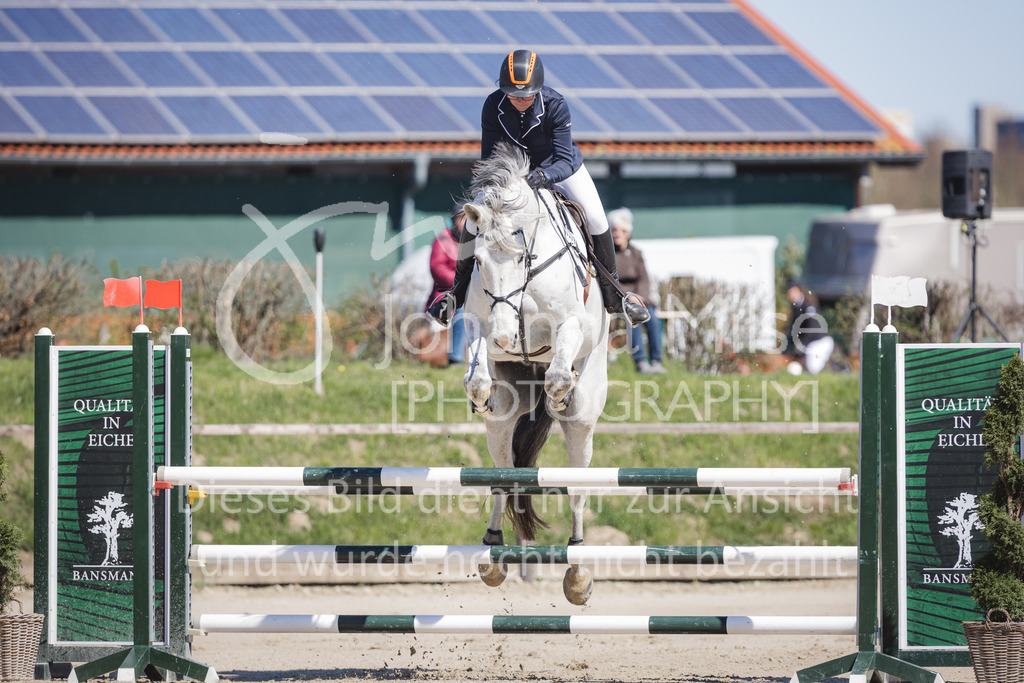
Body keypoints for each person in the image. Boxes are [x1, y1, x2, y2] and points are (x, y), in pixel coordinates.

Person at [426, 49, 649, 330]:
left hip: (558, 169)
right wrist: (503, 185)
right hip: (512, 176)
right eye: (514, 95)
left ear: (538, 90)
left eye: (526, 95)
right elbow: (489, 158)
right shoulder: (493, 105)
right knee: (474, 222)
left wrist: (543, 176)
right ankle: (454, 295)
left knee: (596, 216)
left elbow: (565, 159)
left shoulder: (556, 105)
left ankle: (615, 294)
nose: (520, 101)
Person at [609, 208, 666, 374]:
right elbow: (611, 281)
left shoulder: (636, 253)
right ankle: (640, 362)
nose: (618, 234)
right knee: (633, 320)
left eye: (621, 230)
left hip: (639, 298)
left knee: (653, 319)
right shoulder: (609, 254)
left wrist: (640, 297)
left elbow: (644, 278)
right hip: (620, 298)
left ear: (627, 233)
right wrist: (628, 297)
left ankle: (656, 361)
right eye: (614, 230)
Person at [424, 207, 468, 365]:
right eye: (461, 218)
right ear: (454, 219)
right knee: (461, 309)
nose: (464, 222)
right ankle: (455, 358)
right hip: (447, 293)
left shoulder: (475, 239)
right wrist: (460, 283)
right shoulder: (443, 239)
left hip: (471, 291)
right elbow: (436, 267)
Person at [782, 278, 834, 375]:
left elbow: (811, 327)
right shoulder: (795, 307)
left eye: (792, 291)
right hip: (810, 343)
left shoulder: (808, 305)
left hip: (818, 342)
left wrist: (801, 345)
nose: (790, 295)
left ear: (799, 290)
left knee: (812, 369)